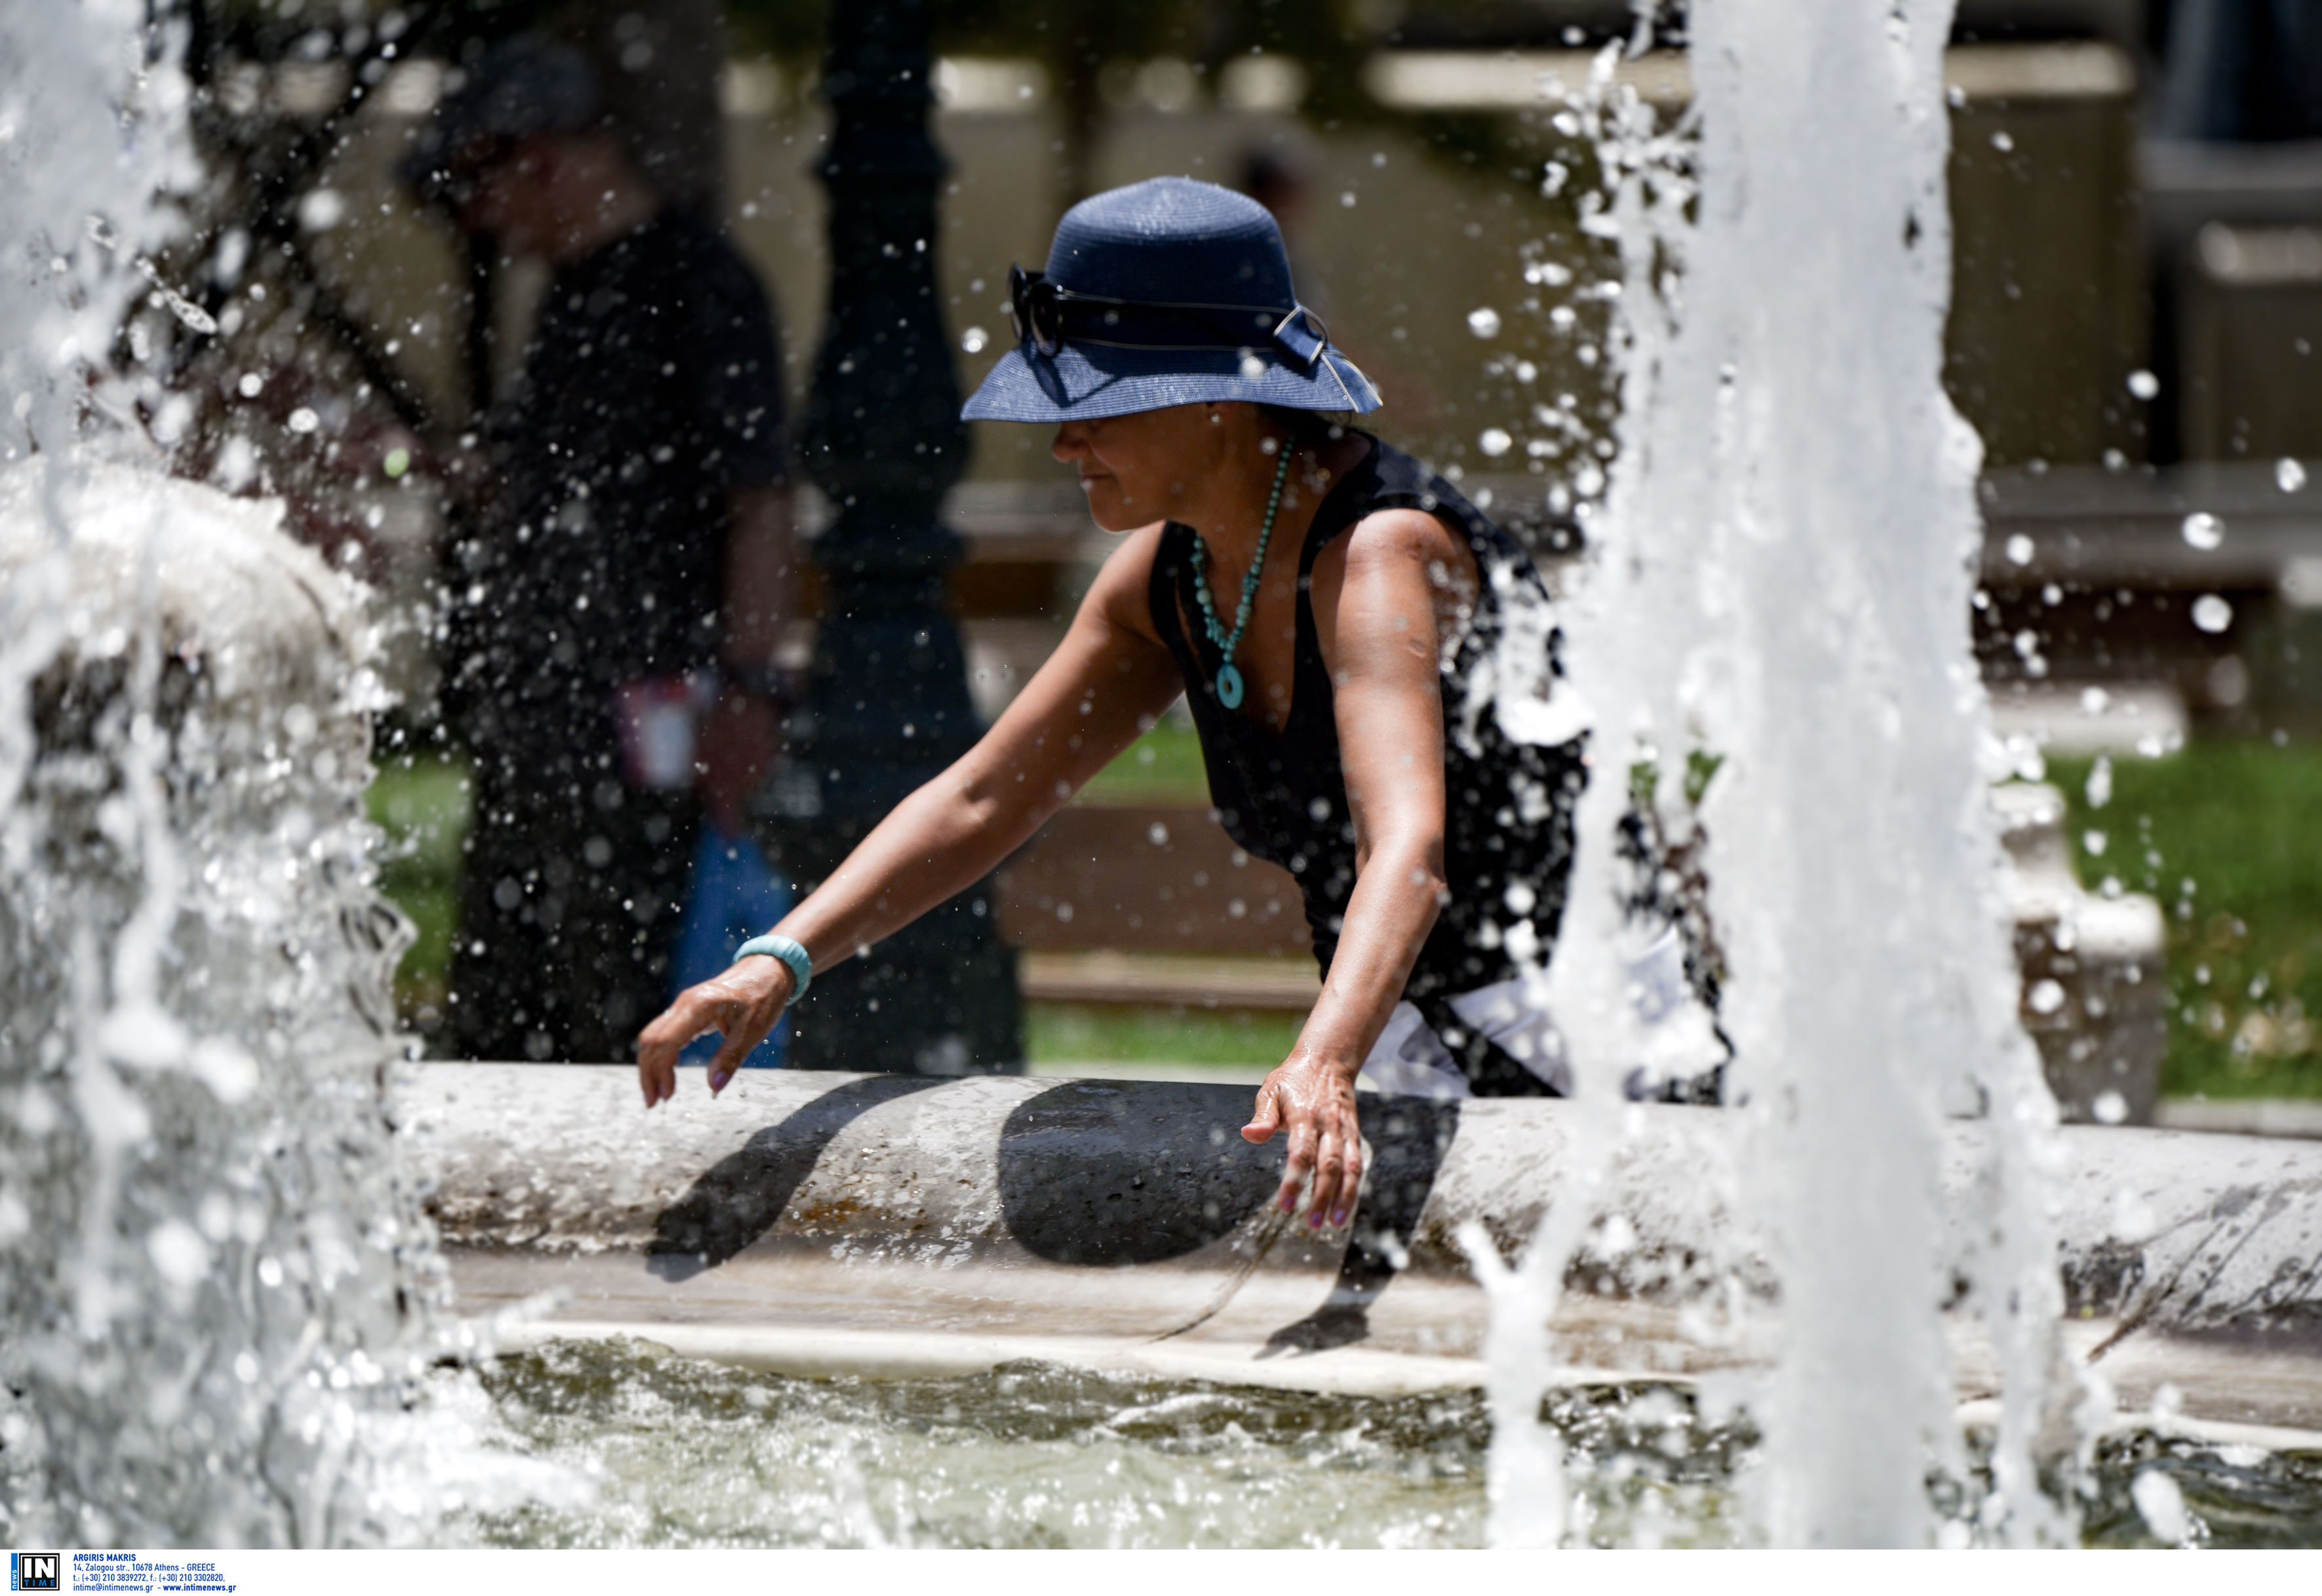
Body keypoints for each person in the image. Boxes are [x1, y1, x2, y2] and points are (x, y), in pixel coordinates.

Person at [637, 177, 1586, 1230]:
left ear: (1217, 396)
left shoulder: (1380, 553)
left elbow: (1407, 846)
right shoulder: (1164, 578)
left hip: (1591, 1040)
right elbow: (983, 799)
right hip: (1406, 1050)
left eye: (1091, 404)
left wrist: (1323, 1058)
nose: (1061, 442)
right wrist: (781, 958)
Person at [401, 36, 796, 1063]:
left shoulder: (697, 282)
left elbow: (759, 499)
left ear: (537, 155)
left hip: (647, 722)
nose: (474, 219)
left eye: (471, 185)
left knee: (617, 995)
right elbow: (560, 484)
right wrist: (404, 464)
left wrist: (750, 686)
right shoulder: (575, 294)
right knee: (502, 1006)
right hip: (543, 717)